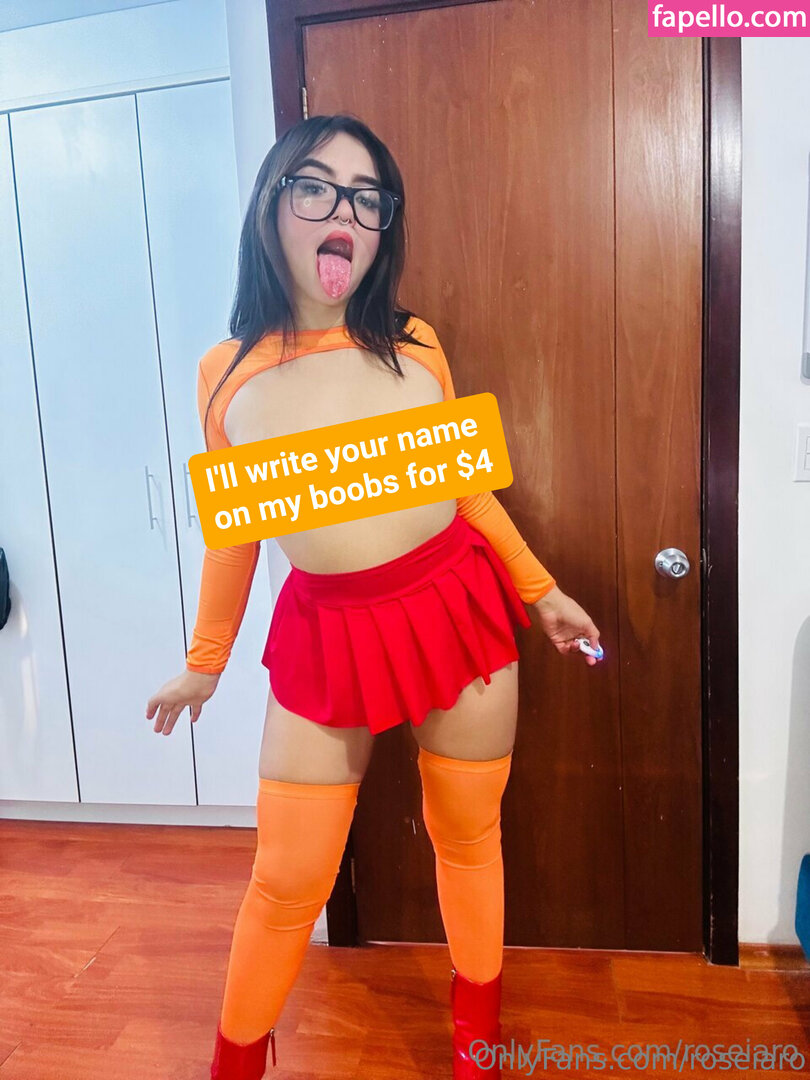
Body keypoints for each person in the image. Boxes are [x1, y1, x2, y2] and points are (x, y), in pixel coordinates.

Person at [146, 113, 601, 1080]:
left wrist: (542, 590)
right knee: (287, 877)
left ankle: (476, 1044)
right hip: (327, 632)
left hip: (453, 605)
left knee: (467, 838)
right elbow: (235, 530)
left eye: (366, 198)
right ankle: (235, 1064)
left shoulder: (414, 343)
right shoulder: (224, 374)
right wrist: (203, 665)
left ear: (382, 225)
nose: (343, 212)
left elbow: (465, 489)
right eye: (316, 187)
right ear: (272, 208)